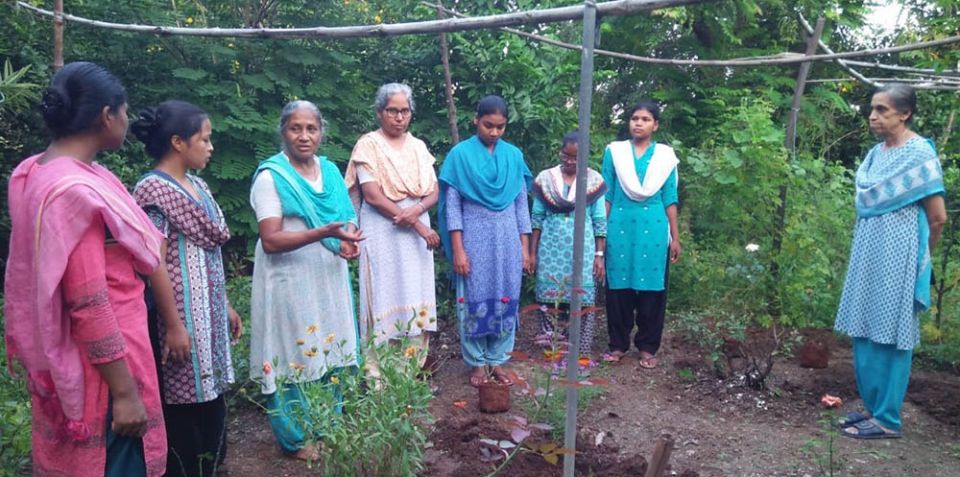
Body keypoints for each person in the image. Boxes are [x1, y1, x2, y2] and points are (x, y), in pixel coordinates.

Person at [4, 62, 167, 476]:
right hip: (103, 372)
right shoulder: (73, 193)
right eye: (125, 112)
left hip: (68, 358)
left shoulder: (34, 172)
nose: (128, 122)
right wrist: (125, 392)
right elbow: (88, 302)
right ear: (105, 116)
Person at [131, 100, 242, 476]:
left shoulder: (196, 184)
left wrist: (224, 303)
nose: (210, 147)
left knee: (211, 396)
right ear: (179, 142)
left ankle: (211, 464)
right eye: (205, 140)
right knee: (182, 401)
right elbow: (153, 262)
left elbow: (210, 248)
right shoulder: (152, 191)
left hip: (207, 312)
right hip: (178, 317)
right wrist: (175, 325)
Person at [248, 100, 364, 460]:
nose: (304, 136)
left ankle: (327, 426)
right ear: (283, 131)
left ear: (321, 132)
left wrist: (348, 242)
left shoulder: (329, 172)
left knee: (329, 345)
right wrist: (321, 233)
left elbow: (346, 219)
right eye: (295, 128)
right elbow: (271, 239)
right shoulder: (272, 176)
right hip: (288, 278)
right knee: (294, 349)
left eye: (311, 129)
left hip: (327, 275)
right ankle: (296, 438)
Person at [834, 84, 947, 440]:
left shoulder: (919, 154)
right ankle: (871, 408)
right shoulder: (874, 156)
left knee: (893, 333)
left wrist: (921, 262)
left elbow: (938, 217)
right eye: (872, 109)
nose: (873, 116)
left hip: (900, 256)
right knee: (864, 326)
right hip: (868, 253)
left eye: (882, 110)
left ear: (904, 113)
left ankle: (887, 419)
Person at [344, 83, 439, 380]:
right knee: (384, 297)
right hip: (384, 231)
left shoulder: (419, 146)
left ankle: (408, 375)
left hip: (414, 236)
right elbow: (372, 195)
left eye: (404, 111)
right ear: (379, 112)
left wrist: (416, 211)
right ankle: (378, 379)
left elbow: (434, 192)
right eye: (392, 110)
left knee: (415, 295)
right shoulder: (368, 145)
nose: (399, 117)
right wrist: (419, 224)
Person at [438, 95, 533, 387]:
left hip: (507, 240)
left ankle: (498, 358)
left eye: (500, 127)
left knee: (506, 296)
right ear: (475, 120)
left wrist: (525, 248)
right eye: (488, 125)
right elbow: (452, 207)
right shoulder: (460, 155)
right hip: (474, 239)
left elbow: (520, 204)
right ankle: (477, 363)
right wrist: (457, 249)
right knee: (473, 299)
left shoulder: (513, 156)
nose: (494, 132)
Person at [600, 100, 681, 368]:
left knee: (652, 288)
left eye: (645, 119)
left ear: (655, 125)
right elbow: (607, 193)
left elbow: (670, 197)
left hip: (655, 227)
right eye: (635, 118)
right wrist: (600, 234)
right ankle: (618, 344)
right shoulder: (615, 153)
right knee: (618, 286)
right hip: (620, 224)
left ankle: (647, 346)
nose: (638, 123)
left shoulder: (665, 157)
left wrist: (676, 236)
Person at [529, 131, 608, 358]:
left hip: (582, 250)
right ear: (560, 152)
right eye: (566, 156)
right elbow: (537, 219)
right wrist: (532, 253)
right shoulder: (546, 179)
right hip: (551, 247)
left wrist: (599, 254)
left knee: (583, 300)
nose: (570, 162)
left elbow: (600, 220)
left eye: (576, 158)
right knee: (549, 299)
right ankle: (552, 352)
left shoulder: (593, 180)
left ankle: (580, 354)